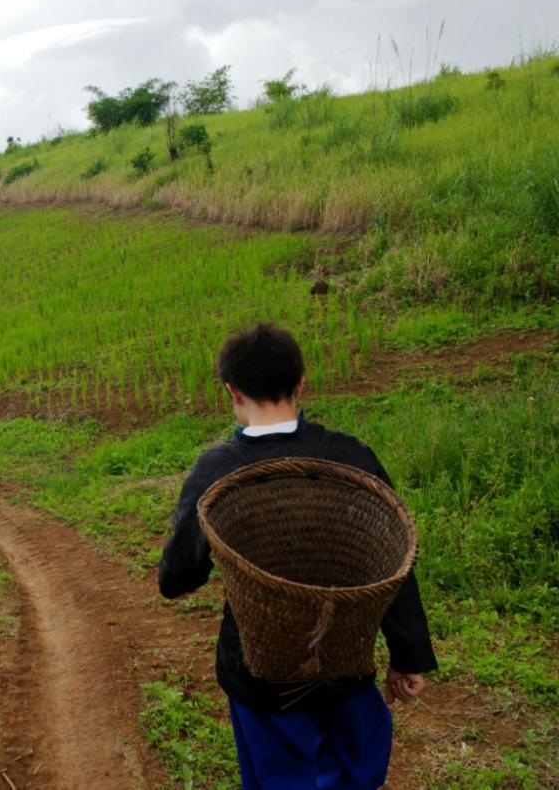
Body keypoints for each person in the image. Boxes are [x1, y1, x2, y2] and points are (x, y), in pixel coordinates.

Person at [158, 324, 437, 790]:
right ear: (301, 383)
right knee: (355, 773)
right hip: (346, 664)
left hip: (262, 676)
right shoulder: (350, 456)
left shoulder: (218, 469)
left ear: (232, 390)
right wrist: (409, 656)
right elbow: (395, 561)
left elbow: (178, 576)